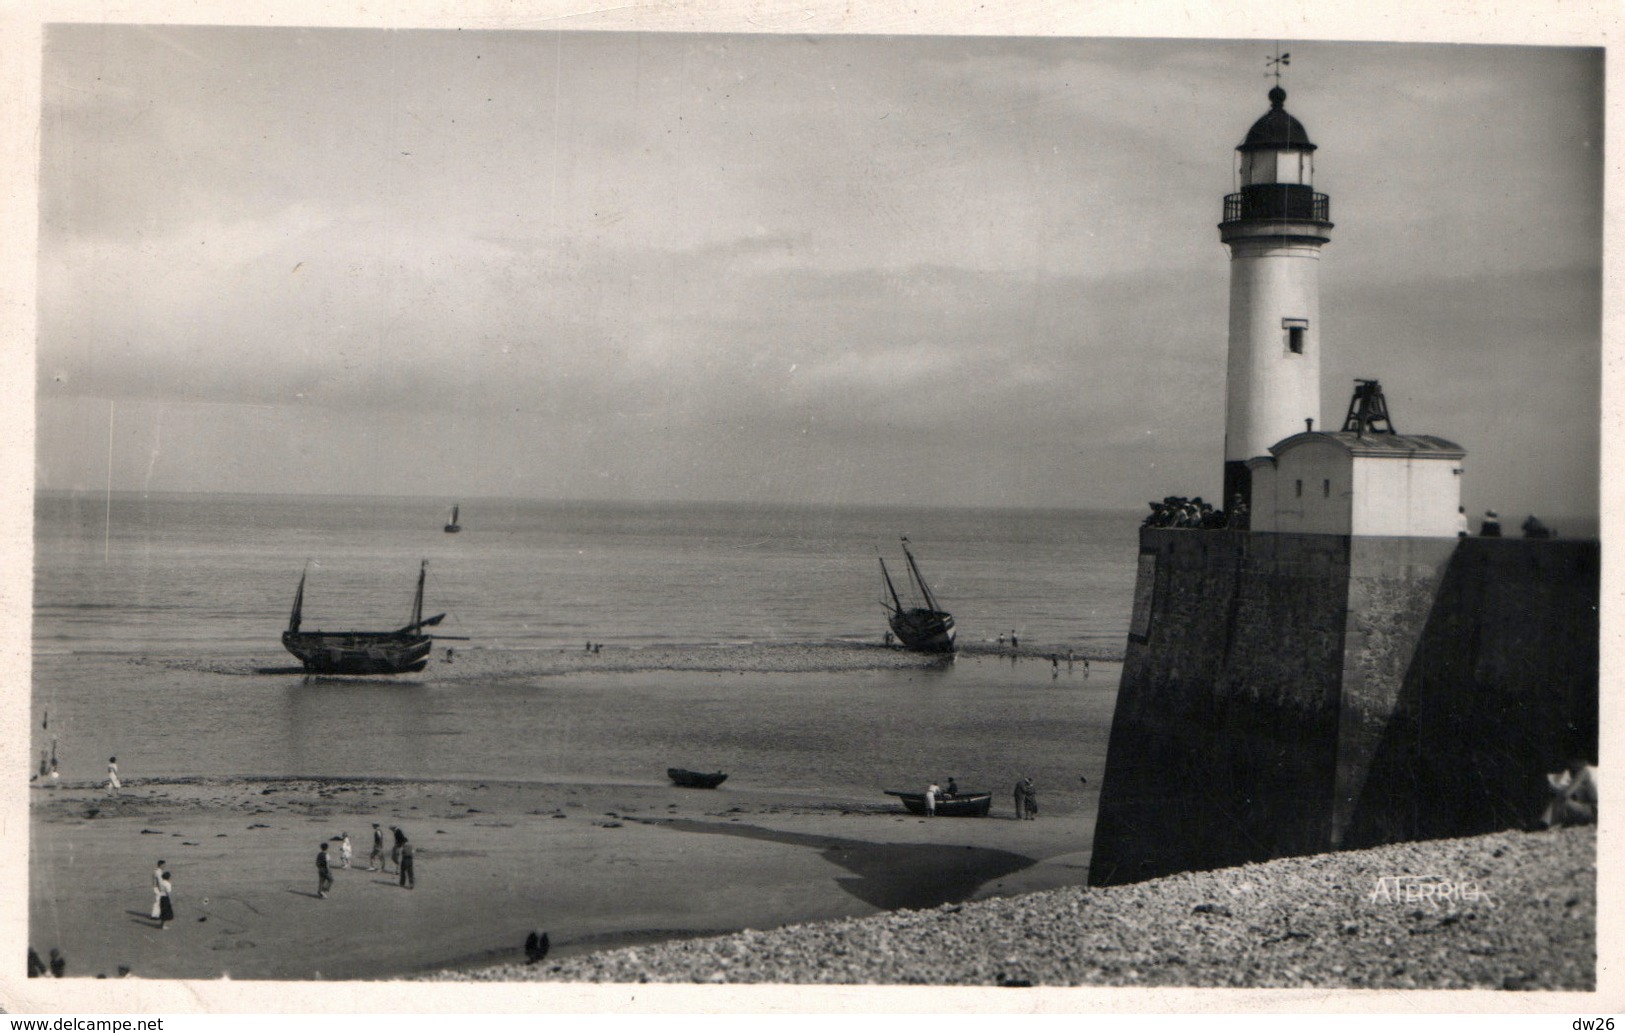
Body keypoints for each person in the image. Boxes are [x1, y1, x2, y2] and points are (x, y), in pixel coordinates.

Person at [1542, 760, 1598, 828]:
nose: (1571, 769)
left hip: (1595, 813)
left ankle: (1543, 825)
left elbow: (1565, 795)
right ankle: (1545, 824)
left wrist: (1554, 789)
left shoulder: (1585, 771)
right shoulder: (1596, 770)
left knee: (1559, 801)